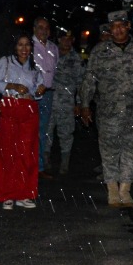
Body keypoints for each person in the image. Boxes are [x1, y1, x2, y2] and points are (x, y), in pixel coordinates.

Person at [77, 10, 133, 209]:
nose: (118, 30)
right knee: (109, 150)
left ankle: (125, 189)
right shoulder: (100, 52)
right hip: (108, 111)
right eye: (113, 27)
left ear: (128, 26)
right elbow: (89, 80)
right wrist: (84, 105)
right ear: (110, 29)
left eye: (121, 25)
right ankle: (112, 190)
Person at [0, 33, 42, 210]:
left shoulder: (35, 65)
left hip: (28, 109)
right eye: (20, 45)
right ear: (14, 47)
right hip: (9, 106)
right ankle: (7, 195)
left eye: (27, 45)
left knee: (27, 152)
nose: (24, 49)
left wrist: (39, 90)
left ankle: (24, 194)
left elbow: (36, 89)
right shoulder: (6, 62)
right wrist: (11, 86)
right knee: (7, 151)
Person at [50, 30, 85, 175]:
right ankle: (44, 162)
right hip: (49, 100)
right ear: (59, 39)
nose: (66, 41)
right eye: (64, 38)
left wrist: (79, 103)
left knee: (66, 134)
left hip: (67, 102)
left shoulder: (76, 58)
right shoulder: (50, 54)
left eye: (69, 38)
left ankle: (64, 163)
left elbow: (81, 83)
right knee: (46, 133)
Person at [30, 17, 58, 179]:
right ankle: (27, 166)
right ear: (34, 29)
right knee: (29, 131)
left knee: (42, 132)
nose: (44, 30)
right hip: (32, 94)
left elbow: (54, 71)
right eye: (40, 27)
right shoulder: (29, 45)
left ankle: (38, 167)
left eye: (46, 28)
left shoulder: (53, 48)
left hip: (47, 94)